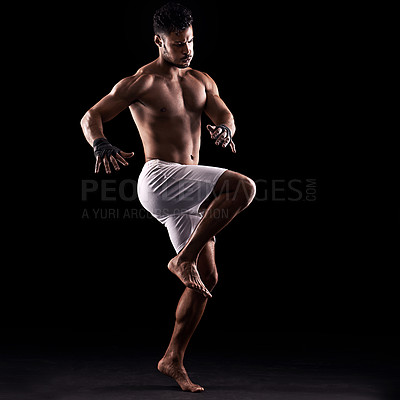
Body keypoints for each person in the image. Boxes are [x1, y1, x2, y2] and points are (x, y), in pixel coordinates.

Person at [81, 2, 256, 393]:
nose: (187, 50)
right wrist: (100, 144)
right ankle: (183, 257)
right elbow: (90, 116)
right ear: (159, 42)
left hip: (187, 192)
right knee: (244, 187)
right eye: (178, 44)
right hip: (159, 178)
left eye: (190, 41)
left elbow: (225, 113)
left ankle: (172, 359)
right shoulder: (142, 81)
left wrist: (226, 131)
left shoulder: (201, 80)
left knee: (206, 279)